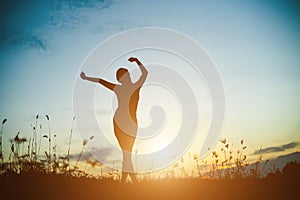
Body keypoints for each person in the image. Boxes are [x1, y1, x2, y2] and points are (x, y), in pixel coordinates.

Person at [80, 57, 148, 182]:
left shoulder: (134, 86)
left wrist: (137, 61)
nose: (128, 77)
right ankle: (133, 183)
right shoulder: (123, 87)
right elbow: (101, 81)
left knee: (126, 154)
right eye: (124, 76)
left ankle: (127, 183)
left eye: (127, 75)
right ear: (121, 79)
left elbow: (145, 73)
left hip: (130, 123)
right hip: (120, 122)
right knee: (126, 154)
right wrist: (86, 78)